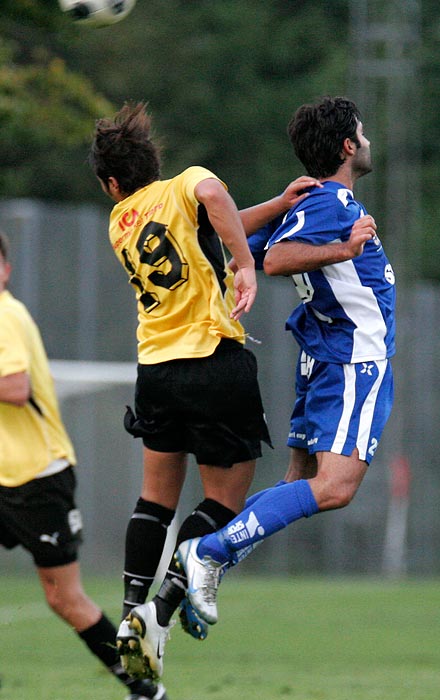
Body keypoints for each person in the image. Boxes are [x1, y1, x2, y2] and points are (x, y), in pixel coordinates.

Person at [88, 101, 320, 682]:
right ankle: (160, 614)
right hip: (214, 361)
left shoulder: (119, 222)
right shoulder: (187, 182)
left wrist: (275, 206)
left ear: (114, 183)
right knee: (222, 502)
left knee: (155, 501)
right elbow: (213, 202)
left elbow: (205, 222)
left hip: (156, 372)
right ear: (154, 163)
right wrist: (245, 264)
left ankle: (127, 614)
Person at [176, 96, 396, 627]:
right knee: (336, 487)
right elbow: (274, 260)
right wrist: (342, 251)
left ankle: (209, 561)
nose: (367, 141)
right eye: (361, 134)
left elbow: (241, 254)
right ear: (348, 146)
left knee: (299, 478)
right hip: (351, 360)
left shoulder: (309, 203)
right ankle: (207, 554)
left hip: (326, 356)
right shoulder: (331, 205)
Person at [0, 231, 166, 700]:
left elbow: (15, 388)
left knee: (65, 599)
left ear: (7, 271)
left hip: (37, 478)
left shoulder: (5, 315)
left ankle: (145, 686)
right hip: (4, 475)